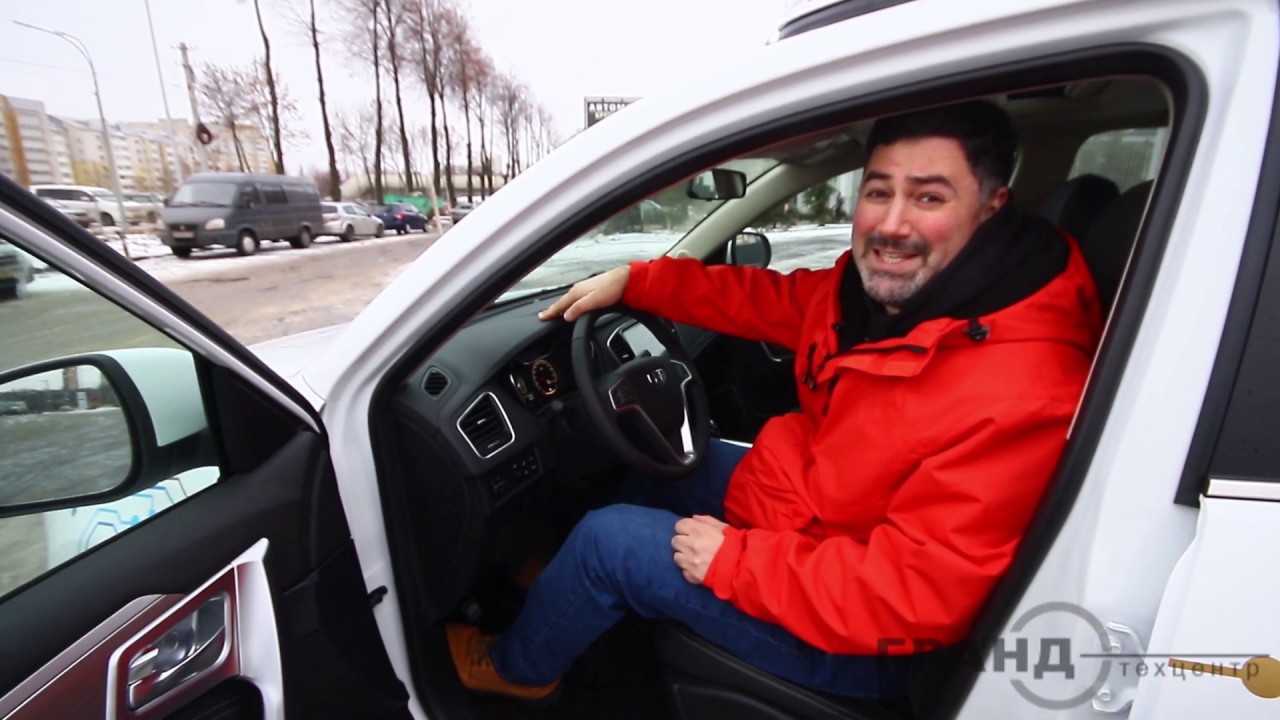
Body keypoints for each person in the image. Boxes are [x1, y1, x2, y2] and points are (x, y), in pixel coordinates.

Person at [446, 100, 1103, 702]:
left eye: (929, 196)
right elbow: (766, 299)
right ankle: (562, 597)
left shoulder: (1022, 384)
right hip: (820, 517)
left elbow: (912, 596)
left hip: (867, 640)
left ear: (991, 208)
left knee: (608, 542)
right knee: (660, 466)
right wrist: (638, 280)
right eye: (879, 191)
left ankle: (517, 669)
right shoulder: (887, 299)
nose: (892, 224)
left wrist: (735, 563)